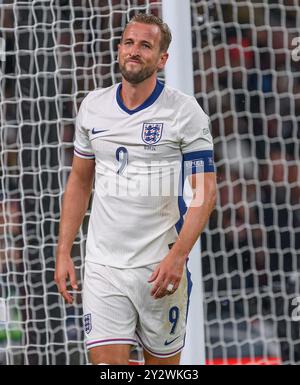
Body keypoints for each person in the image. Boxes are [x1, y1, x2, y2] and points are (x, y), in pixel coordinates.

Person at [55, 13, 216, 365]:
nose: (134, 51)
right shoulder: (93, 108)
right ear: (118, 50)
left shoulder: (184, 112)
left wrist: (178, 257)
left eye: (145, 45)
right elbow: (80, 180)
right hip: (103, 266)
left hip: (160, 268)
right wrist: (64, 250)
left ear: (162, 59)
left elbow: (204, 193)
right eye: (129, 43)